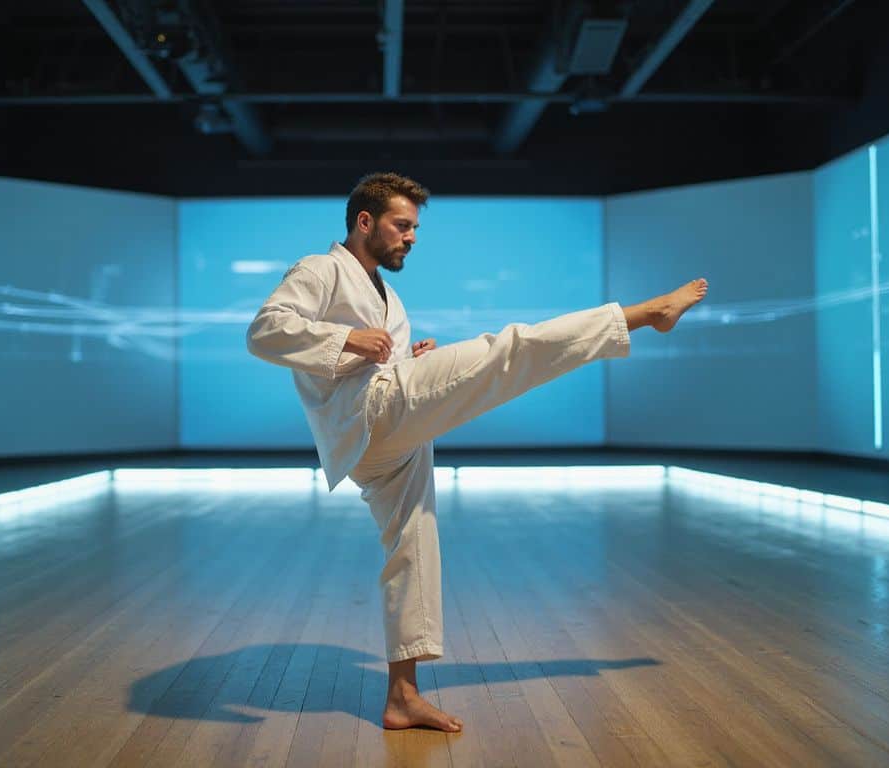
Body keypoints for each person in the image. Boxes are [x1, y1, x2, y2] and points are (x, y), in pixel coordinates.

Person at [245, 172, 707, 732]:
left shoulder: (388, 295)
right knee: (507, 351)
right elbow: (265, 332)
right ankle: (642, 314)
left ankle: (402, 696)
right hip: (370, 415)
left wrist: (411, 360)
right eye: (401, 225)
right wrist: (348, 340)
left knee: (414, 547)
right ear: (363, 221)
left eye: (414, 227)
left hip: (383, 430)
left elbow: (377, 362)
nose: (411, 237)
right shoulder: (319, 269)